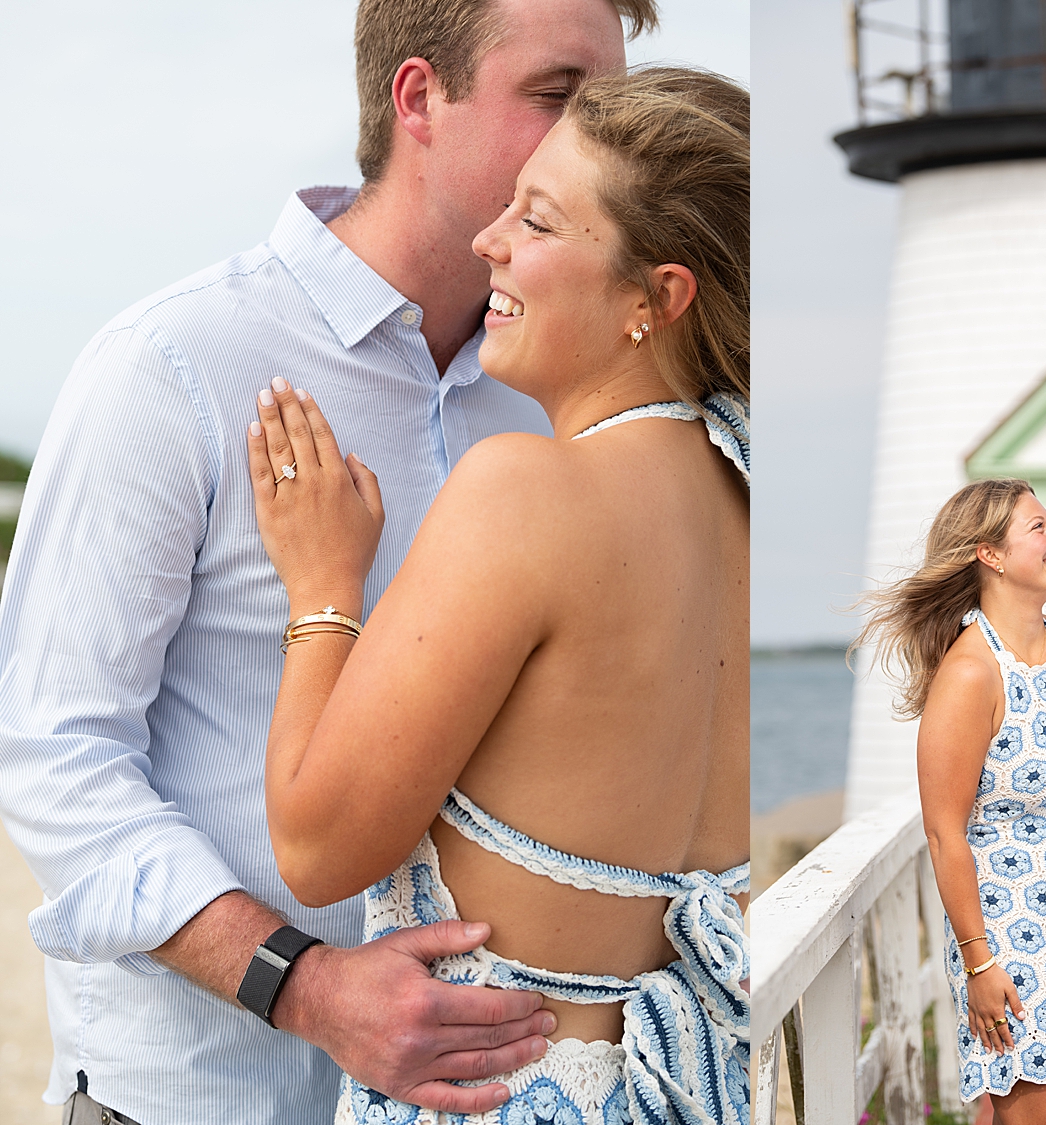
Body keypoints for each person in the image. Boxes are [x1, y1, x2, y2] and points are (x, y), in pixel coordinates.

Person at [0, 2, 657, 1122]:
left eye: (615, 105)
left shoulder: (564, 396)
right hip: (200, 1102)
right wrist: (300, 986)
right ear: (418, 101)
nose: (601, 146)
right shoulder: (171, 366)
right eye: (558, 98)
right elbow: (50, 759)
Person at [243, 66, 749, 1125]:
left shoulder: (527, 491)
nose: (490, 242)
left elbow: (317, 846)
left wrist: (323, 584)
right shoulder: (745, 494)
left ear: (657, 299)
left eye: (541, 220)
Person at [855, 478, 1046, 1124]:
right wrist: (980, 960)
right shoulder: (971, 674)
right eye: (1038, 527)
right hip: (1011, 931)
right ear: (991, 555)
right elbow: (946, 834)